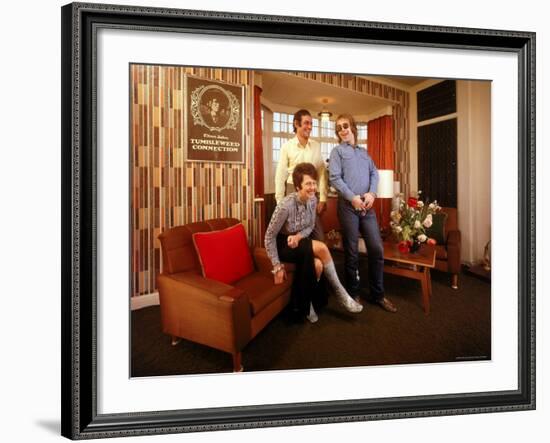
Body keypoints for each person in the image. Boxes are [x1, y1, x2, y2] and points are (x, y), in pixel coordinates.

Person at [265, 162, 363, 323]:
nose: (312, 187)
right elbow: (269, 236)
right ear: (297, 187)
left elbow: (310, 226)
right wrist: (276, 266)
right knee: (322, 247)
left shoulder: (312, 200)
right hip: (283, 245)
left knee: (317, 265)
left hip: (298, 241)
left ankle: (307, 303)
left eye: (314, 183)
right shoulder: (285, 205)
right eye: (308, 184)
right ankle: (341, 294)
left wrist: (298, 237)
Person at [328, 114, 397, 313]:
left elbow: (374, 173)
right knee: (352, 252)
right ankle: (353, 293)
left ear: (353, 128)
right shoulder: (337, 152)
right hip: (349, 208)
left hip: (367, 208)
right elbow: (334, 178)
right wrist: (353, 197)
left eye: (346, 125)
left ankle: (378, 295)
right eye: (339, 127)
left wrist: (372, 193)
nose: (343, 129)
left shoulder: (364, 153)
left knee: (376, 249)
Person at [274, 109, 327, 240]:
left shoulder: (316, 146)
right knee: (296, 237)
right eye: (306, 123)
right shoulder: (287, 147)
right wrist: (280, 202)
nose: (309, 127)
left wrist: (323, 198)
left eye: (311, 124)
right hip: (293, 191)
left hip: (311, 193)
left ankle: (316, 259)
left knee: (319, 237)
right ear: (296, 124)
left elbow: (321, 173)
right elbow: (280, 175)